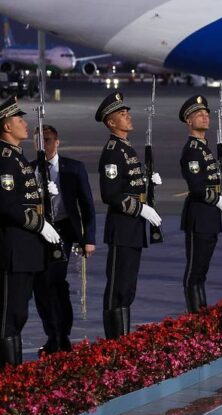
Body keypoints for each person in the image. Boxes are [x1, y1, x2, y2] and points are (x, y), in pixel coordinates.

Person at [0, 96, 61, 366]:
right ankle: (8, 376)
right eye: (19, 120)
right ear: (6, 126)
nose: (25, 124)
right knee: (9, 317)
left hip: (25, 250)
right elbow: (7, 205)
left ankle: (13, 374)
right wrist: (40, 224)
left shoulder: (18, 157)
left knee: (18, 316)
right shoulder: (5, 159)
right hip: (13, 249)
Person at [96, 91, 163, 339]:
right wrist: (141, 208)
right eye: (122, 114)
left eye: (127, 113)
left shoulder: (126, 148)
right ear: (111, 122)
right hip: (122, 226)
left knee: (128, 289)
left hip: (133, 227)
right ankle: (114, 343)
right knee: (118, 287)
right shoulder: (113, 151)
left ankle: (123, 340)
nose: (128, 117)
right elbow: (110, 194)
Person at [33, 124, 97, 355]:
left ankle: (62, 334)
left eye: (48, 140)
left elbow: (87, 205)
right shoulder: (30, 169)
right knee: (40, 285)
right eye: (39, 141)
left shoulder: (73, 168)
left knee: (56, 281)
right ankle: (52, 334)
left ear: (57, 142)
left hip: (63, 230)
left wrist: (89, 238)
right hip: (37, 232)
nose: (44, 145)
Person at [178, 95, 222, 311]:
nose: (205, 117)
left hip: (209, 217)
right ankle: (195, 315)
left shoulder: (204, 147)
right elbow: (196, 186)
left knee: (202, 271)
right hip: (199, 216)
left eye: (206, 114)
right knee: (194, 271)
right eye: (199, 114)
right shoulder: (192, 150)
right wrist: (217, 199)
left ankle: (202, 313)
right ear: (189, 121)